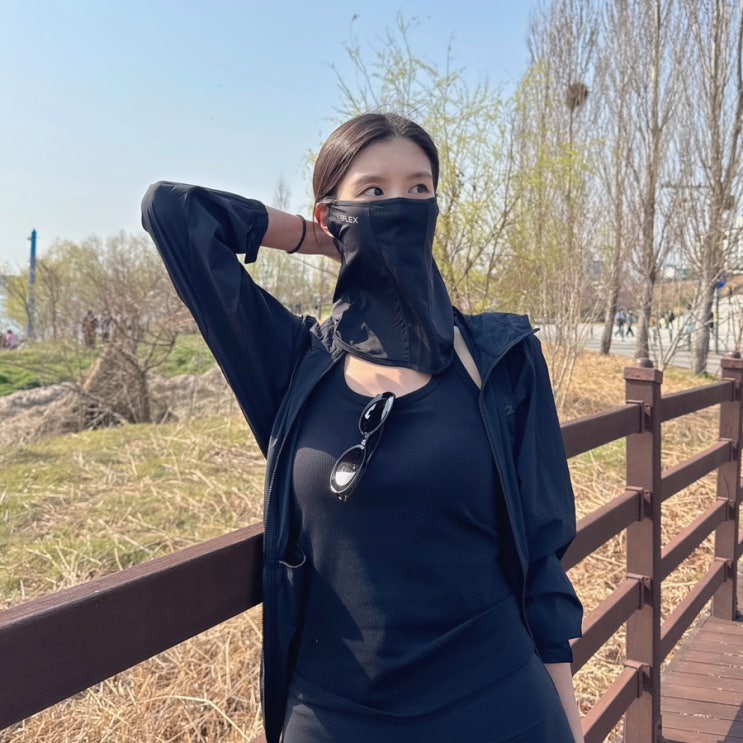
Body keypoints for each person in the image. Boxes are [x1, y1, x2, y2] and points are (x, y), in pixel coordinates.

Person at [141, 112, 584, 743]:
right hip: (333, 715)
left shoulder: (502, 359)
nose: (399, 206)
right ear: (333, 214)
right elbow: (172, 212)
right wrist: (309, 237)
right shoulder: (292, 365)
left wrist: (567, 719)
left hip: (497, 701)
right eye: (373, 191)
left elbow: (542, 555)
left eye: (419, 189)